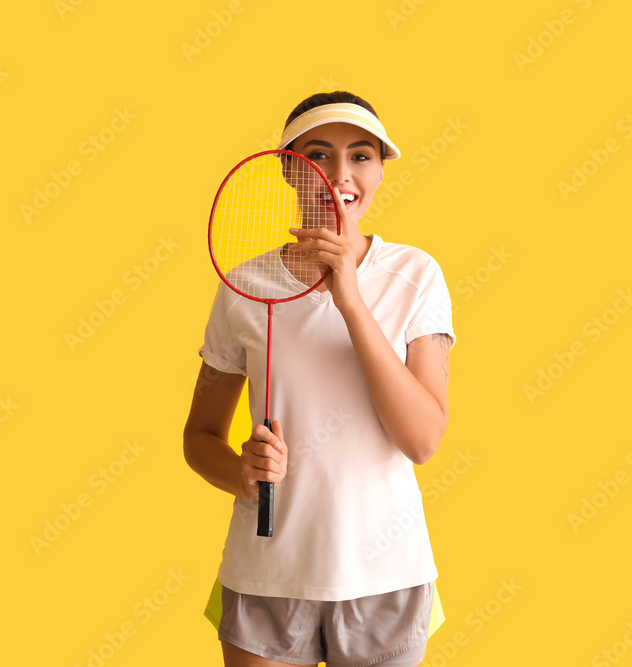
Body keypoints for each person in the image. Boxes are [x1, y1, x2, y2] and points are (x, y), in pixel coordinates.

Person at [184, 90, 456, 667]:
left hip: (388, 579)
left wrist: (351, 301)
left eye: (361, 155)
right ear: (286, 167)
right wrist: (241, 474)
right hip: (266, 578)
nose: (339, 174)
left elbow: (423, 440)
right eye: (317, 154)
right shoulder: (243, 286)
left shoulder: (415, 276)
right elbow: (198, 436)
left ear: (381, 169)